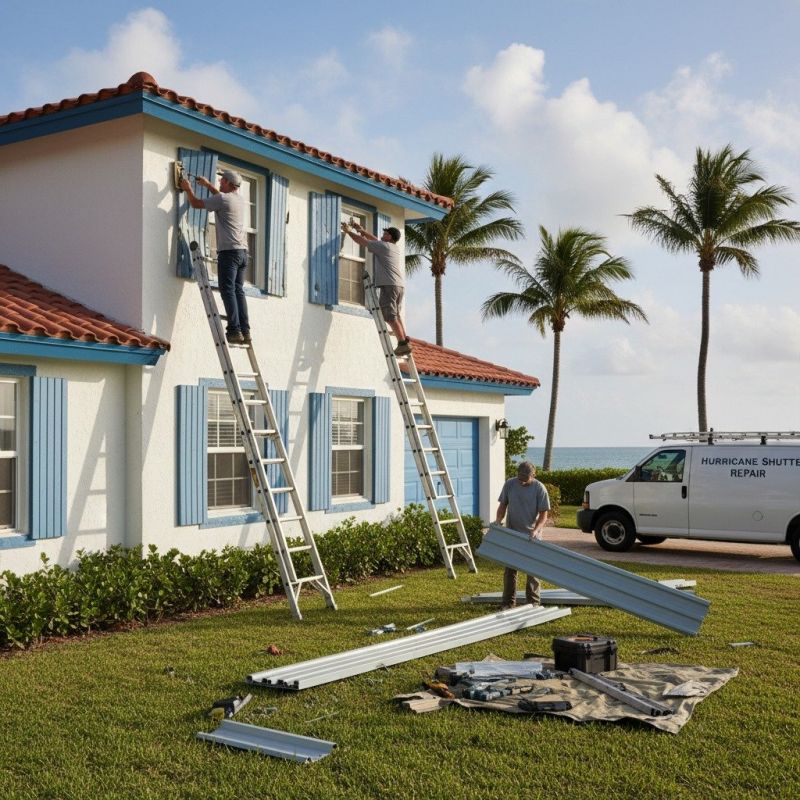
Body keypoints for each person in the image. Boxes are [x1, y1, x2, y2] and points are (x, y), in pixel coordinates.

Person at [181, 169, 250, 345]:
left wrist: (188, 189)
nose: (219, 182)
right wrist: (207, 185)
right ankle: (245, 330)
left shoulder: (223, 199)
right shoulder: (239, 200)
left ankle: (234, 330)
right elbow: (220, 196)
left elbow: (196, 203)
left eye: (222, 180)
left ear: (228, 183)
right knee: (238, 291)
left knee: (227, 290)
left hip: (229, 252)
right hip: (242, 252)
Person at [342, 221, 411, 356]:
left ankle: (402, 344)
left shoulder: (383, 246)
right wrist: (362, 230)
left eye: (385, 234)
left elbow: (361, 241)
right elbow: (375, 240)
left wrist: (349, 231)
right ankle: (405, 340)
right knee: (395, 314)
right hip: (398, 286)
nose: (382, 235)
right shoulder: (392, 247)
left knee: (389, 316)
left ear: (389, 237)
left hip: (389, 285)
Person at [495, 461, 550, 607]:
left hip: (532, 537)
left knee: (533, 572)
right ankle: (508, 603)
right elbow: (502, 505)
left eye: (525, 479)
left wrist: (536, 530)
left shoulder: (539, 488)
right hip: (512, 535)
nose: (522, 482)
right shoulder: (510, 484)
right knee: (510, 571)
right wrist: (498, 521)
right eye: (520, 478)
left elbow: (543, 515)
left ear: (534, 475)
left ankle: (533, 604)